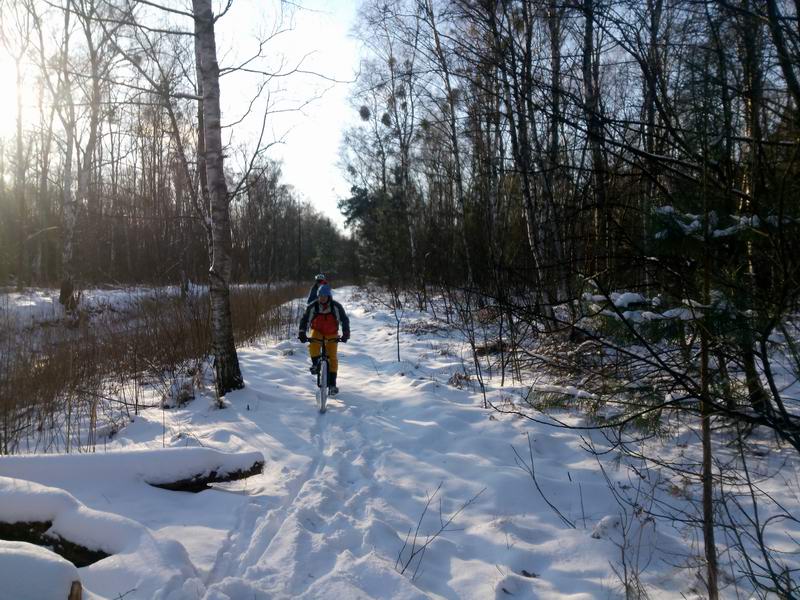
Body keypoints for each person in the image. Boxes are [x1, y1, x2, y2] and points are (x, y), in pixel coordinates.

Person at [298, 284, 350, 395]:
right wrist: (302, 332)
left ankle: (332, 385)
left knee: (333, 358)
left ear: (329, 296)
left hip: (332, 333)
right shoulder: (313, 306)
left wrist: (345, 333)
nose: (322, 298)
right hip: (317, 331)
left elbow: (344, 320)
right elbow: (305, 320)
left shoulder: (336, 306)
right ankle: (316, 364)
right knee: (313, 344)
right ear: (318, 296)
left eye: (325, 296)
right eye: (320, 296)